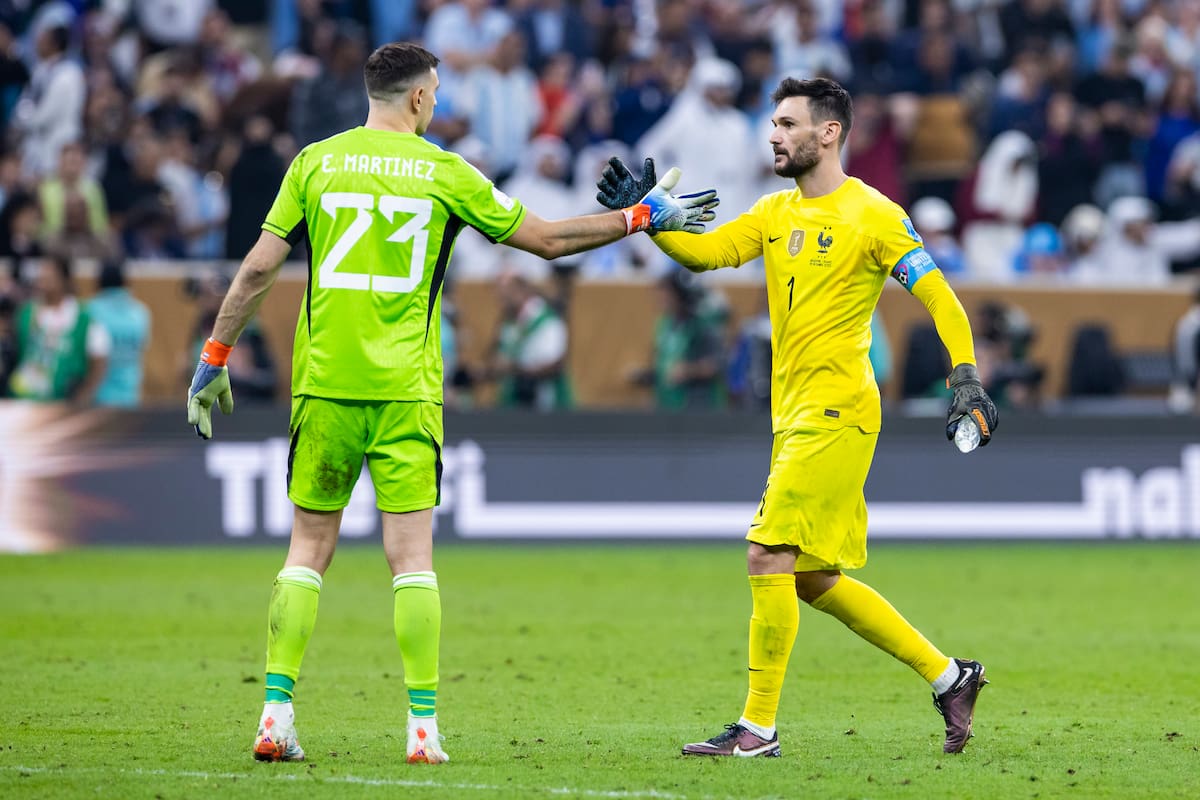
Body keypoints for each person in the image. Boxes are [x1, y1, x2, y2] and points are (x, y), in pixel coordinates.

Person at [184, 42, 716, 767]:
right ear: (416, 98)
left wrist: (213, 357)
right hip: (406, 390)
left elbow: (255, 269)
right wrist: (643, 219)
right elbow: (549, 241)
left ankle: (275, 716)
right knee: (412, 562)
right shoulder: (446, 172)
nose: (436, 101)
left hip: (325, 384)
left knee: (307, 552)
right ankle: (423, 731)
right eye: (434, 90)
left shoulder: (314, 161)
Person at [597, 77, 998, 757]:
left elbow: (942, 300)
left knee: (766, 552)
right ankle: (950, 676)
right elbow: (708, 253)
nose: (774, 135)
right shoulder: (775, 211)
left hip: (839, 409)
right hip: (796, 415)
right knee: (810, 576)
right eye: (773, 124)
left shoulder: (874, 214)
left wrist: (964, 375)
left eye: (787, 123)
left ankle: (757, 728)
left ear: (828, 132)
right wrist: (647, 216)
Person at [10, 254, 110, 405]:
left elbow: (99, 366)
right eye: (41, 277)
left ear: (64, 280)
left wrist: (80, 401)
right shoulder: (26, 313)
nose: (43, 282)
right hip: (24, 401)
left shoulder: (84, 318)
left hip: (64, 403)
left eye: (50, 277)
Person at [87, 261, 150, 408]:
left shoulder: (90, 311)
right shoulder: (141, 312)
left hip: (97, 398)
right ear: (124, 281)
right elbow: (142, 349)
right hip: (131, 397)